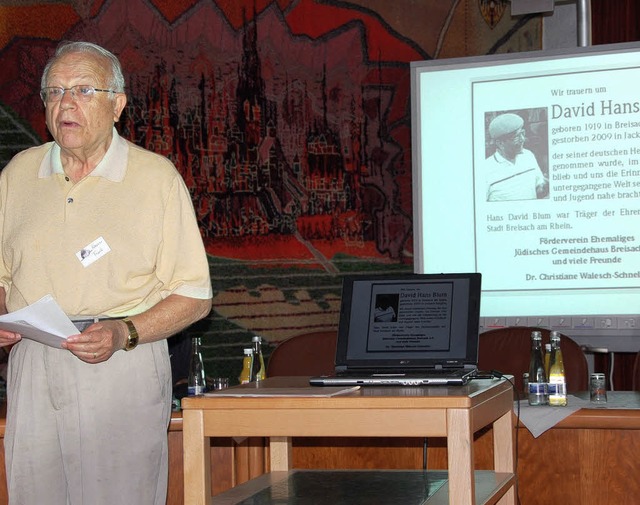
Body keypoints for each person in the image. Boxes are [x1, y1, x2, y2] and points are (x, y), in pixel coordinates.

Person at [0, 41, 213, 504]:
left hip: (122, 362)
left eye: (83, 90)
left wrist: (124, 332)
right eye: (54, 92)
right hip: (32, 362)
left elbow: (195, 295)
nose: (65, 103)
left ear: (117, 105)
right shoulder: (17, 174)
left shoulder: (155, 179)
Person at [485, 112, 548, 202]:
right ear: (500, 143)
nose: (523, 139)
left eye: (522, 133)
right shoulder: (484, 170)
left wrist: (546, 187)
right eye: (516, 137)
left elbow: (538, 190)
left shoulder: (528, 156)